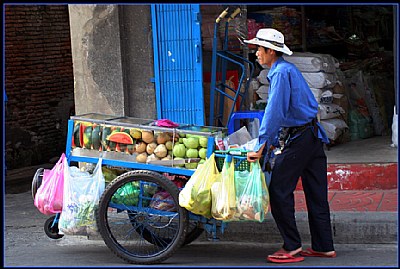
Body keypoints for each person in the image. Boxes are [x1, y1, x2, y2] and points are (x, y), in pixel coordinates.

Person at [243, 28, 336, 263]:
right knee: (316, 193)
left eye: (258, 49)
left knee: (279, 190)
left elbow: (274, 112)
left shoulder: (281, 73)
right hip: (312, 136)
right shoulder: (286, 69)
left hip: (299, 139)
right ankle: (324, 246)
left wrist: (262, 143)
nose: (256, 54)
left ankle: (292, 246)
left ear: (270, 51)